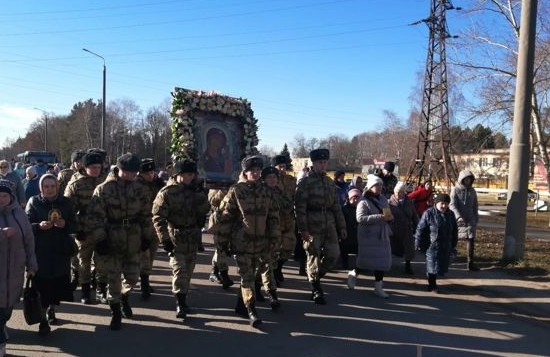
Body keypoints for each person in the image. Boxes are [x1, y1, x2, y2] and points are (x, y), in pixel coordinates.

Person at [86, 153, 153, 330]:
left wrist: (147, 236)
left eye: (135, 172)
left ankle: (124, 297)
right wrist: (100, 240)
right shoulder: (104, 189)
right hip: (112, 237)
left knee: (132, 276)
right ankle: (115, 311)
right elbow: (95, 217)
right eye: (129, 172)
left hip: (133, 236)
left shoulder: (140, 188)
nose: (133, 175)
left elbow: (146, 214)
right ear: (120, 169)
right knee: (113, 278)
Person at [216, 155, 280, 327]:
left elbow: (273, 216)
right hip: (242, 241)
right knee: (246, 277)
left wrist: (274, 237)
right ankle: (252, 310)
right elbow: (226, 217)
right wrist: (222, 242)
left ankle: (240, 306)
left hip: (261, 242)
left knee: (252, 274)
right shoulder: (236, 190)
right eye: (252, 171)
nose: (256, 174)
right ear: (245, 172)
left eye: (258, 171)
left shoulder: (266, 191)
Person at [152, 160, 210, 321]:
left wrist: (201, 194)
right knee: (179, 270)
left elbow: (204, 211)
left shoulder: (195, 190)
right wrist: (164, 240)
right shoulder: (167, 192)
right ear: (178, 175)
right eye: (186, 174)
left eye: (192, 174)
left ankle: (183, 298)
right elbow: (158, 218)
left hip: (192, 237)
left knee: (189, 271)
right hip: (175, 236)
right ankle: (180, 302)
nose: (189, 177)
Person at [25, 174, 77, 336]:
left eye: (52, 186)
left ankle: (51, 309)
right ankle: (43, 320)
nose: (49, 189)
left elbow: (74, 225)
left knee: (56, 284)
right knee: (42, 286)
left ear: (57, 187)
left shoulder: (66, 203)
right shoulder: (34, 202)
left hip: (60, 251)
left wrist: (65, 224)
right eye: (46, 186)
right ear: (41, 188)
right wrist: (38, 226)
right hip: (41, 250)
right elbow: (26, 226)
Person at [295, 148, 346, 305]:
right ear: (313, 163)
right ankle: (316, 288)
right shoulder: (305, 183)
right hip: (312, 223)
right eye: (319, 163)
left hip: (329, 223)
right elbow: (300, 208)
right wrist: (303, 229)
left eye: (324, 162)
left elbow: (336, 206)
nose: (323, 165)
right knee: (313, 256)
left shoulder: (330, 183)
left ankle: (316, 277)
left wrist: (342, 226)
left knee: (333, 255)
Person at [0, 179, 38, 355]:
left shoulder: (20, 214)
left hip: (15, 270)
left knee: (7, 307)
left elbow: (29, 241)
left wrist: (32, 265)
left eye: (4, 195)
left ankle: (3, 325)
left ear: (11, 196)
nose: (1, 198)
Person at [63, 152, 107, 304]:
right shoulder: (75, 183)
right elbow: (68, 209)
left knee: (102, 261)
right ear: (85, 167)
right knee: (84, 262)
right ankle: (86, 291)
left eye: (98, 167)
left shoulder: (106, 180)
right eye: (92, 167)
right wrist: (76, 229)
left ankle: (101, 289)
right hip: (84, 230)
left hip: (102, 229)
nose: (96, 170)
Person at [347, 174, 393, 298]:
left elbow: (387, 212)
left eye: (380, 185)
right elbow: (360, 218)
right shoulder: (363, 201)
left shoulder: (383, 199)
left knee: (382, 262)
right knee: (364, 261)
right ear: (370, 186)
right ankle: (353, 274)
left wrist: (389, 217)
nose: (379, 187)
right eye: (376, 185)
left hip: (381, 235)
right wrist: (380, 217)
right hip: (368, 236)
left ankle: (378, 287)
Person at [415, 193, 458, 292]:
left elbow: (454, 230)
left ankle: (432, 280)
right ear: (436, 203)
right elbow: (420, 229)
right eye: (442, 203)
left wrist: (454, 243)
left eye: (446, 204)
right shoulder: (429, 213)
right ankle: (432, 285)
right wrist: (417, 242)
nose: (444, 206)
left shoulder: (451, 214)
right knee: (432, 264)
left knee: (441, 265)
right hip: (432, 244)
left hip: (445, 244)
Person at [137, 158, 165, 299]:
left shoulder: (157, 184)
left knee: (152, 253)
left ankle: (145, 280)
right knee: (143, 255)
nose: (150, 175)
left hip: (154, 224)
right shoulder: (136, 185)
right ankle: (144, 284)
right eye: (146, 173)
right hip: (141, 225)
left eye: (152, 172)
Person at [271, 155, 297, 285]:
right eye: (279, 166)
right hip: (275, 218)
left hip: (288, 218)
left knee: (289, 246)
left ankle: (279, 267)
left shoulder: (291, 180)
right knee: (275, 247)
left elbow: (294, 197)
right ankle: (274, 271)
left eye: (284, 166)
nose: (282, 169)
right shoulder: (271, 180)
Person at [449, 170, 480, 271]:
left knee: (471, 239)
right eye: (466, 179)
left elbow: (475, 205)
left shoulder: (472, 191)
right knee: (453, 239)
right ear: (462, 179)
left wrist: (475, 217)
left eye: (469, 179)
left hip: (470, 219)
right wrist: (458, 216)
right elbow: (452, 204)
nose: (468, 181)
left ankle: (470, 263)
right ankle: (449, 258)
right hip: (458, 219)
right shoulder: (455, 190)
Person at [388, 182, 419, 275]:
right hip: (393, 229)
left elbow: (414, 215)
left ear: (404, 192)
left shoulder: (409, 202)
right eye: (396, 191)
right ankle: (387, 265)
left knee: (408, 249)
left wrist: (417, 227)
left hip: (407, 228)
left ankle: (408, 265)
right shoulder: (389, 202)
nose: (398, 193)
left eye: (400, 191)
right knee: (390, 248)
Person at [206, 188, 234, 289]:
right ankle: (224, 276)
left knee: (221, 250)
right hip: (220, 223)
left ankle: (214, 272)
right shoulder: (215, 185)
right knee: (221, 249)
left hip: (233, 224)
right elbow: (213, 201)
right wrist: (223, 192)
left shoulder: (237, 184)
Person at [340, 188, 361, 270]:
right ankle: (344, 263)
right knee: (344, 247)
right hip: (347, 233)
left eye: (358, 197)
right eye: (354, 198)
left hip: (358, 234)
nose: (356, 200)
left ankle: (359, 265)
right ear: (349, 199)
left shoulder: (361, 208)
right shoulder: (344, 209)